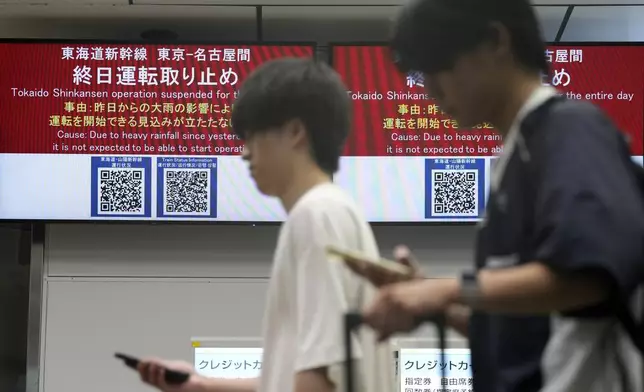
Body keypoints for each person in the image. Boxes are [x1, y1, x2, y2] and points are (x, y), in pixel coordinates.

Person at [357, 0, 644, 391]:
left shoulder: (567, 130)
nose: (431, 91)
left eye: (442, 66)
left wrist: (448, 289)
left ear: (496, 40)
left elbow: (589, 276)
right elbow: (514, 336)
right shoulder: (512, 159)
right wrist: (430, 299)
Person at [135, 58, 396, 392]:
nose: (244, 153)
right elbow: (295, 378)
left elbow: (319, 377)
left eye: (252, 136)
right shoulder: (332, 210)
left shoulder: (316, 215)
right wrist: (200, 385)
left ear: (295, 132)